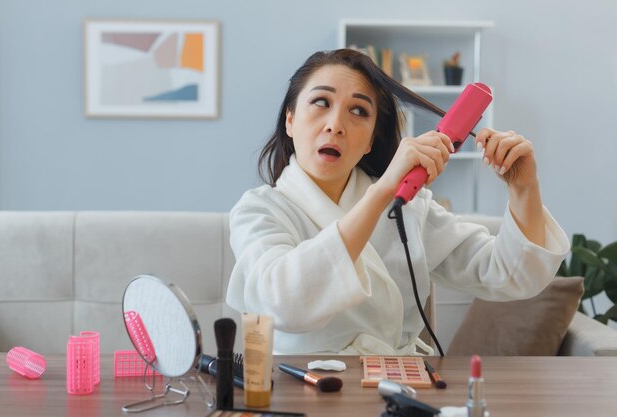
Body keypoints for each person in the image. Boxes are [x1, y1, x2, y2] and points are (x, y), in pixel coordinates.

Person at [226, 49, 569, 355]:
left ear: (371, 140)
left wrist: (524, 187)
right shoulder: (259, 211)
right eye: (320, 102)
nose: (335, 125)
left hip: (398, 386)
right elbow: (282, 303)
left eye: (358, 110)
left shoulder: (410, 207)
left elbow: (509, 275)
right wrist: (382, 192)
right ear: (290, 120)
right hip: (303, 389)